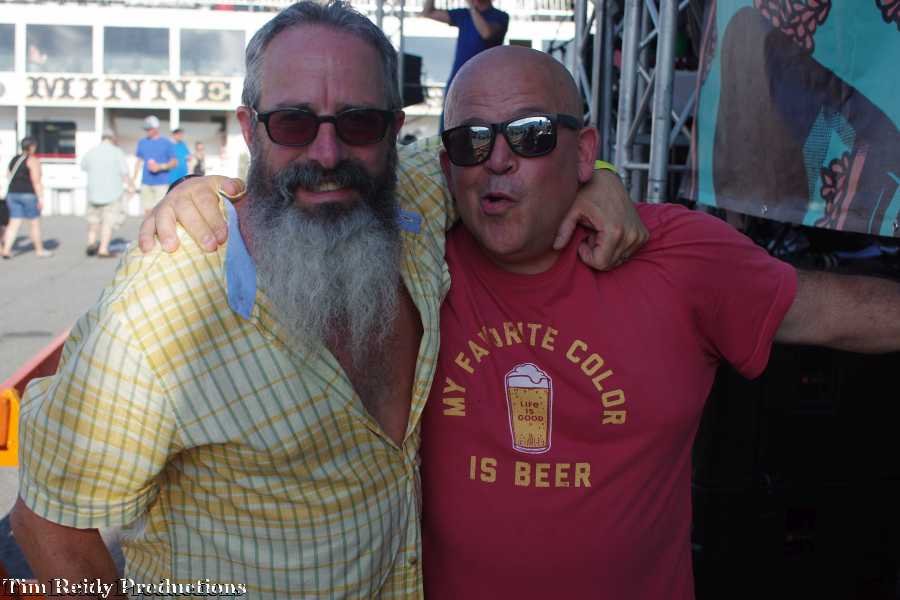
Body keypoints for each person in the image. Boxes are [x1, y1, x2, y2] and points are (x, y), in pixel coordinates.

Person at [146, 46, 900, 599]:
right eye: (471, 141)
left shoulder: (677, 255)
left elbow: (840, 315)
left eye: (533, 135)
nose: (497, 161)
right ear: (447, 163)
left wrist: (603, 183)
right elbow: (312, 184)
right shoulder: (410, 255)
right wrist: (203, 195)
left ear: (585, 150)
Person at [10, 3, 642, 598]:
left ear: (394, 130)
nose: (328, 153)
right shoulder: (164, 306)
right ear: (250, 130)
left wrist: (601, 179)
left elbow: (517, 161)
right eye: (293, 122)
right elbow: (48, 523)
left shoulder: (420, 199)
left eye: (360, 123)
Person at [422, 0, 508, 131]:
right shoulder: (463, 14)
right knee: (449, 118)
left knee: (480, 121)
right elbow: (428, 13)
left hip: (485, 82)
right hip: (459, 77)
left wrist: (472, 8)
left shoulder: (500, 16)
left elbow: (486, 33)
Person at [81, 130, 129, 258]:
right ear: (113, 138)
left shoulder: (91, 152)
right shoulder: (117, 152)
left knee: (93, 221)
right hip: (112, 194)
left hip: (93, 193)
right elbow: (124, 172)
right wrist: (131, 186)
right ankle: (103, 249)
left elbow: (83, 166)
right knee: (108, 223)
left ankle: (91, 242)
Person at [1, 137, 51, 259]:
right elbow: (36, 181)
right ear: (32, 147)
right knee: (34, 223)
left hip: (12, 193)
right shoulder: (33, 160)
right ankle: (39, 250)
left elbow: (7, 175)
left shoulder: (15, 159)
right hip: (28, 194)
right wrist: (41, 198)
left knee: (14, 223)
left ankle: (6, 250)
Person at [132, 115, 176, 215]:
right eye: (146, 129)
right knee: (147, 213)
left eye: (149, 128)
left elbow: (174, 162)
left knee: (160, 213)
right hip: (146, 183)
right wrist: (133, 180)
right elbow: (138, 162)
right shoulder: (142, 142)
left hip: (161, 183)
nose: (147, 131)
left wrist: (160, 167)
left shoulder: (166, 143)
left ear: (156, 128)